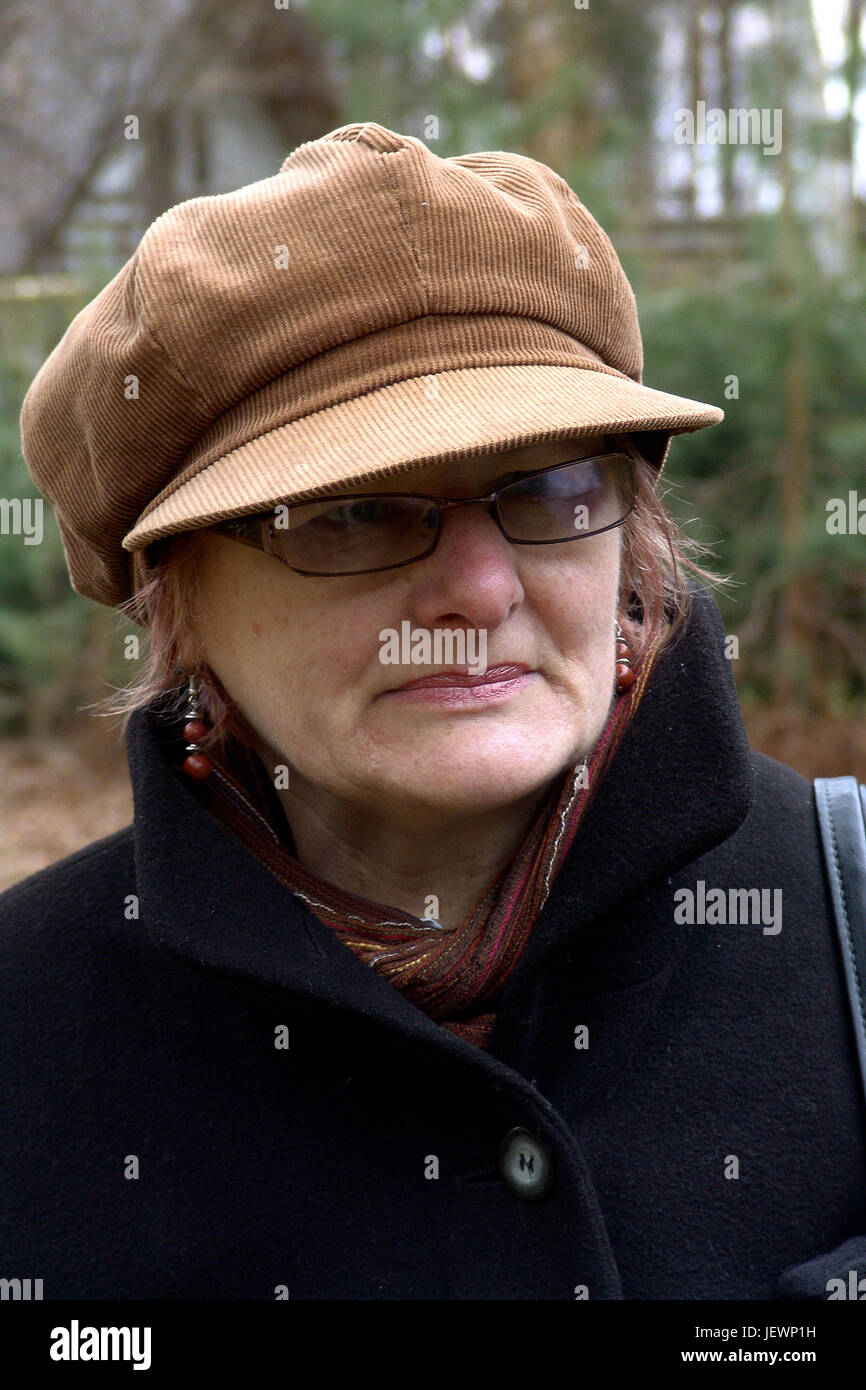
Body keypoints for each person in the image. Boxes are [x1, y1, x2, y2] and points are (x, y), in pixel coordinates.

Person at [2, 121, 864, 1302]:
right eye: (354, 513)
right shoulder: (28, 1034)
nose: (479, 588)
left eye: (552, 487)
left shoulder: (843, 927)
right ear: (177, 600)